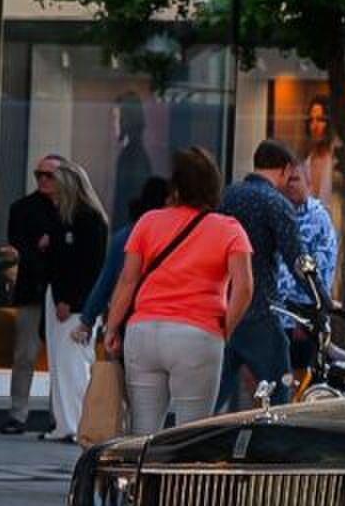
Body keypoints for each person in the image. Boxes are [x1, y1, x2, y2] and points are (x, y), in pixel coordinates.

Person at [104, 147, 253, 436]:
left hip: (143, 331)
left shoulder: (148, 222)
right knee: (190, 434)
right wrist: (226, 329)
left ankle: (142, 481)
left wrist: (111, 327)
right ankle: (180, 482)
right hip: (197, 334)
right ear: (214, 186)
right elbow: (244, 287)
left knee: (142, 434)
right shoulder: (229, 229)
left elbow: (127, 280)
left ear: (176, 186)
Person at [215, 139, 306, 412]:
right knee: (279, 390)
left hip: (221, 308)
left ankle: (186, 442)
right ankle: (277, 446)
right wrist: (321, 299)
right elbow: (297, 260)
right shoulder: (276, 203)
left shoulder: (226, 196)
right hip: (259, 309)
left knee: (213, 392)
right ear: (286, 168)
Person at [40, 157, 109, 442]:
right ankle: (64, 422)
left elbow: (87, 268)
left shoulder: (88, 220)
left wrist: (70, 300)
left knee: (73, 363)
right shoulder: (66, 218)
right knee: (61, 363)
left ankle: (76, 423)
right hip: (60, 296)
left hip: (73, 302)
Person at [0, 160, 64, 434]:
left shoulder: (72, 210)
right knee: (24, 355)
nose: (43, 179)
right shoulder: (22, 208)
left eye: (49, 175)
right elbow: (21, 249)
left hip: (62, 293)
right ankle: (18, 414)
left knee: (61, 359)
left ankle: (59, 417)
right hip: (32, 291)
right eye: (39, 174)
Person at [75, 176, 170, 345]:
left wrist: (88, 320)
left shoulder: (126, 236)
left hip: (131, 320)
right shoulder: (179, 237)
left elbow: (106, 281)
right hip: (174, 321)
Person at [274, 159, 339, 377]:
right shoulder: (278, 212)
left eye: (295, 179)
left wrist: (311, 314)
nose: (289, 185)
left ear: (308, 183)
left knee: (299, 378)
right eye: (286, 180)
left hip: (300, 320)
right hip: (275, 315)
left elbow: (323, 271)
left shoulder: (318, 218)